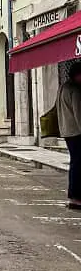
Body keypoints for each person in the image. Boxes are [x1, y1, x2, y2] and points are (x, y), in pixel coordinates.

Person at [57, 61, 81, 208]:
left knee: (75, 164)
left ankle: (73, 196)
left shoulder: (63, 87)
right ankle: (76, 197)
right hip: (77, 132)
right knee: (78, 165)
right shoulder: (75, 90)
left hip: (67, 131)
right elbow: (79, 114)